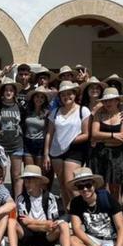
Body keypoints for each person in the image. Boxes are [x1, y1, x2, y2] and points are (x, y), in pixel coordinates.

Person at [10, 165, 83, 246]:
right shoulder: (21, 198)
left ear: (39, 182)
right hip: (27, 234)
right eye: (25, 180)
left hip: (46, 235)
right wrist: (43, 224)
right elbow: (25, 222)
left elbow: (52, 223)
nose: (27, 183)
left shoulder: (50, 197)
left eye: (30, 180)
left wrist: (33, 222)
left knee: (63, 225)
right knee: (11, 221)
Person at [44, 81, 91, 209]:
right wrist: (46, 154)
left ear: (75, 94)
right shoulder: (55, 112)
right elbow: (49, 134)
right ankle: (68, 211)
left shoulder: (83, 110)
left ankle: (81, 210)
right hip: (56, 151)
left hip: (74, 149)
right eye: (63, 95)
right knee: (62, 185)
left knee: (71, 183)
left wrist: (72, 140)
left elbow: (87, 134)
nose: (67, 97)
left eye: (69, 93)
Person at [90, 87, 123, 221]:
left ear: (117, 101)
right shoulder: (99, 114)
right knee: (99, 184)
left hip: (116, 154)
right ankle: (101, 211)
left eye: (111, 100)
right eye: (106, 101)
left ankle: (116, 213)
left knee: (115, 187)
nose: (108, 103)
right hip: (99, 153)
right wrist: (114, 135)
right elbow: (94, 134)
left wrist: (103, 137)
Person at [0, 78, 25, 196]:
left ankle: (18, 202)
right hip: (1, 145)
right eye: (6, 90)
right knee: (1, 175)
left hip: (17, 144)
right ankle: (0, 200)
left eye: (11, 90)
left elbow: (24, 123)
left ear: (15, 92)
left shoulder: (20, 107)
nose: (8, 92)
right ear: (2, 92)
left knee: (17, 175)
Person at [22, 86, 51, 168]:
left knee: (38, 171)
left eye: (42, 97)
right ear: (33, 97)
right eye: (37, 96)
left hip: (40, 142)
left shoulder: (47, 113)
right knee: (29, 170)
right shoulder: (27, 110)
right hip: (27, 142)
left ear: (45, 100)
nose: (39, 99)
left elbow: (48, 130)